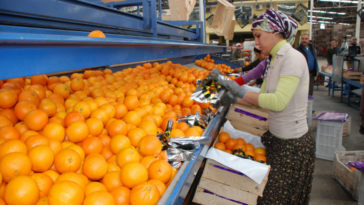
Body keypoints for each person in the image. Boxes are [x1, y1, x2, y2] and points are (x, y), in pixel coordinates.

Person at [208, 9, 314, 204]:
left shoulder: (293, 58)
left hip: (292, 145)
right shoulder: (273, 60)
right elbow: (262, 99)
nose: (256, 43)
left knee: (276, 199)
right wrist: (231, 100)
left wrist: (238, 90)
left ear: (274, 32)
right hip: (277, 140)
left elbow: (278, 102)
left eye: (258, 36)